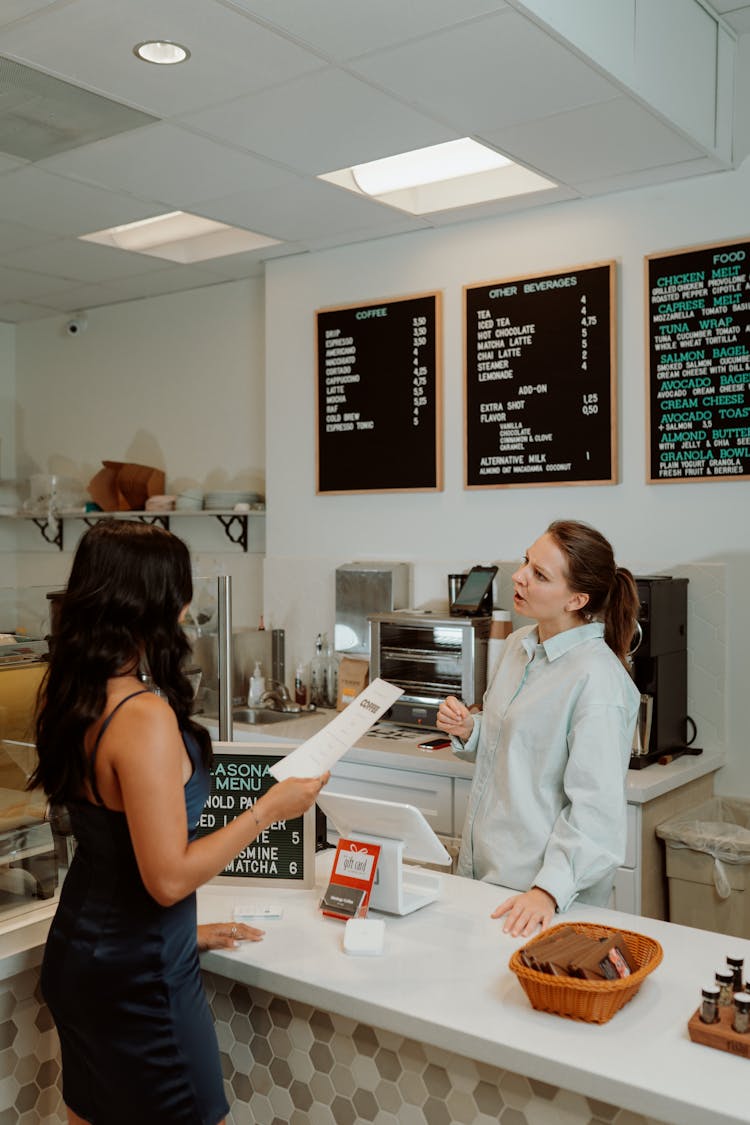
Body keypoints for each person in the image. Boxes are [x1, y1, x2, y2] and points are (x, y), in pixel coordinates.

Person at [30, 520, 328, 1125]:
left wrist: (182, 934)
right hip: (139, 981)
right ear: (151, 604)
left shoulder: (68, 694)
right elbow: (166, 879)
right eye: (180, 593)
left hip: (81, 955)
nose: (188, 607)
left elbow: (113, 851)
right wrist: (270, 808)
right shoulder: (141, 718)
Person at [437, 519, 640, 940]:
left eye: (539, 574)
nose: (519, 575)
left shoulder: (597, 681)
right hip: (484, 878)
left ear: (577, 599)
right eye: (527, 560)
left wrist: (547, 891)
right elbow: (515, 751)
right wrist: (470, 730)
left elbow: (596, 814)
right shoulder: (519, 647)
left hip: (540, 900)